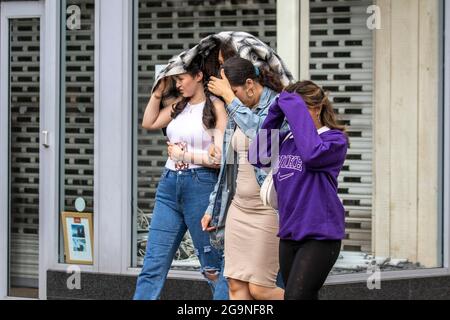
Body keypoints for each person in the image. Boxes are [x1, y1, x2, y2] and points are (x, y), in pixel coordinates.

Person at [134, 59, 229, 300]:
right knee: (153, 263)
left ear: (198, 76)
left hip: (201, 185)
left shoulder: (216, 106)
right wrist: (157, 93)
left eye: (181, 78)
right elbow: (149, 122)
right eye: (175, 80)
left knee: (212, 266)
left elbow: (219, 158)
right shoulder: (178, 104)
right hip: (169, 185)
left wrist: (184, 154)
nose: (177, 84)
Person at [249, 80, 349, 300]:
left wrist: (293, 108)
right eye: (290, 111)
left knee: (295, 297)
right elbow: (257, 157)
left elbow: (312, 154)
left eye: (298, 110)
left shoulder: (334, 140)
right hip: (289, 231)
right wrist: (275, 113)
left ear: (316, 108)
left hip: (321, 235)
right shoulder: (287, 139)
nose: (293, 117)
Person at [201, 56, 286, 300]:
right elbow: (229, 168)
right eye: (230, 93)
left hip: (268, 211)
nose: (233, 97)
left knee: (262, 288)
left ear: (250, 84)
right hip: (239, 210)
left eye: (235, 91)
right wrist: (213, 207)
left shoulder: (280, 104)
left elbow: (265, 138)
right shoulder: (237, 106)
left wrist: (230, 98)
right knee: (236, 287)